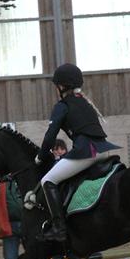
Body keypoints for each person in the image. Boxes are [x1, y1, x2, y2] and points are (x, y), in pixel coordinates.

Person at [35, 63, 120, 242]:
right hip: (103, 150)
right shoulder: (85, 102)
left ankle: (59, 228)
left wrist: (40, 157)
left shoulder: (62, 106)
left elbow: (50, 137)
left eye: (56, 85)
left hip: (86, 152)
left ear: (62, 86)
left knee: (47, 180)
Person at [50, 139, 84, 259]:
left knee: (73, 251)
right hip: (59, 213)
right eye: (55, 149)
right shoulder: (52, 165)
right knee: (58, 252)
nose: (58, 152)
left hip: (69, 212)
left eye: (60, 149)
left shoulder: (70, 164)